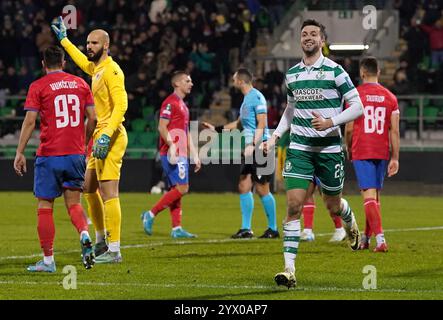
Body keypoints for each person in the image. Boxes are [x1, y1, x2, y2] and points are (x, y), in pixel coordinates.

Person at [264, 19, 364, 288]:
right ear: (300, 40)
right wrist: (275, 136)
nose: (308, 37)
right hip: (300, 148)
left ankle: (349, 222)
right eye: (304, 34)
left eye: (313, 34)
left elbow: (358, 106)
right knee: (294, 205)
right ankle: (289, 269)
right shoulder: (293, 74)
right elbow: (290, 109)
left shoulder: (335, 71)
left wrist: (331, 122)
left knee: (332, 205)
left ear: (322, 41)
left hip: (329, 149)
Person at [51, 16, 128, 263]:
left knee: (109, 192)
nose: (89, 46)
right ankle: (101, 241)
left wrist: (106, 136)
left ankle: (115, 250)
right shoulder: (97, 69)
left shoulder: (113, 70)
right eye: (87, 42)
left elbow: (122, 105)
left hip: (112, 136)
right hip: (99, 136)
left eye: (94, 43)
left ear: (106, 45)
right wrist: (64, 41)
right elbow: (83, 62)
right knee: (87, 188)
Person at [13, 45, 97, 272]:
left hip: (50, 155)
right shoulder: (81, 84)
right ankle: (85, 234)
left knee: (45, 206)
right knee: (74, 204)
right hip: (76, 154)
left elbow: (30, 122)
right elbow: (93, 118)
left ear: (43, 64)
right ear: (64, 63)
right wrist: (84, 140)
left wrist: (20, 152)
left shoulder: (38, 86)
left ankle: (48, 261)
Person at [203, 68, 279, 239]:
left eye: (234, 78)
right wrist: (216, 129)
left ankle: (273, 229)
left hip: (260, 147)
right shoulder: (246, 100)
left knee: (262, 188)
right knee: (244, 185)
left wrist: (253, 144)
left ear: (241, 81)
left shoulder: (257, 97)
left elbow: (262, 123)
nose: (232, 80)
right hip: (250, 148)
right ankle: (246, 229)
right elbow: (239, 124)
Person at [345, 56, 400, 253]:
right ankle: (366, 239)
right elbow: (394, 130)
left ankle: (381, 240)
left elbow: (350, 128)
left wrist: (348, 148)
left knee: (368, 196)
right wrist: (395, 158)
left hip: (363, 148)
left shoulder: (355, 96)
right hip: (382, 150)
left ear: (361, 73)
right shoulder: (390, 98)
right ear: (378, 72)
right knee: (374, 197)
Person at [141, 71, 201, 238]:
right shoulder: (170, 103)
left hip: (181, 151)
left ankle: (176, 229)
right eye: (187, 80)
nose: (191, 83)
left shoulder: (183, 106)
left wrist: (194, 154)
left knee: (177, 189)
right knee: (183, 188)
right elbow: (162, 127)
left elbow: (186, 132)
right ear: (177, 84)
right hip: (171, 152)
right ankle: (150, 214)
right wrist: (172, 145)